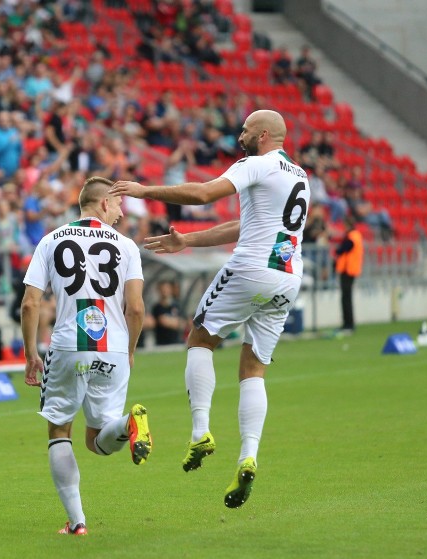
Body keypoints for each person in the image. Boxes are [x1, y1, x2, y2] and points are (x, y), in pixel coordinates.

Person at [111, 109, 310, 509]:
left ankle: (200, 430)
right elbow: (245, 226)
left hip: (251, 269)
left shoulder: (255, 163)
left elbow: (203, 195)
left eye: (246, 129)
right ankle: (248, 455)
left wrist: (144, 191)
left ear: (265, 134)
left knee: (200, 338)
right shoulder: (300, 176)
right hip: (287, 277)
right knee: (254, 368)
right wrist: (188, 242)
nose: (239, 134)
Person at [21, 176, 149, 536]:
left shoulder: (50, 240)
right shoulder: (127, 246)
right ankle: (127, 425)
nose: (122, 214)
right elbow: (136, 308)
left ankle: (77, 522)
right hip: (113, 347)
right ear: (105, 203)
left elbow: (31, 302)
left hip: (66, 345)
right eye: (119, 205)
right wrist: (130, 350)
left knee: (60, 429)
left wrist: (32, 354)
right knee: (98, 440)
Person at [334, 216, 363, 334]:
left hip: (348, 270)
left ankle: (348, 324)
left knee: (346, 298)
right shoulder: (355, 236)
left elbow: (341, 249)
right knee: (346, 297)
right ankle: (348, 324)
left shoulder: (352, 237)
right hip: (350, 270)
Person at [152, 280, 185, 346]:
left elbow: (183, 323)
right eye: (163, 289)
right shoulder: (157, 307)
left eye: (167, 288)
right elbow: (163, 321)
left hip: (177, 342)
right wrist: (175, 321)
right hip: (162, 344)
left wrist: (170, 321)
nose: (165, 291)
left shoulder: (177, 305)